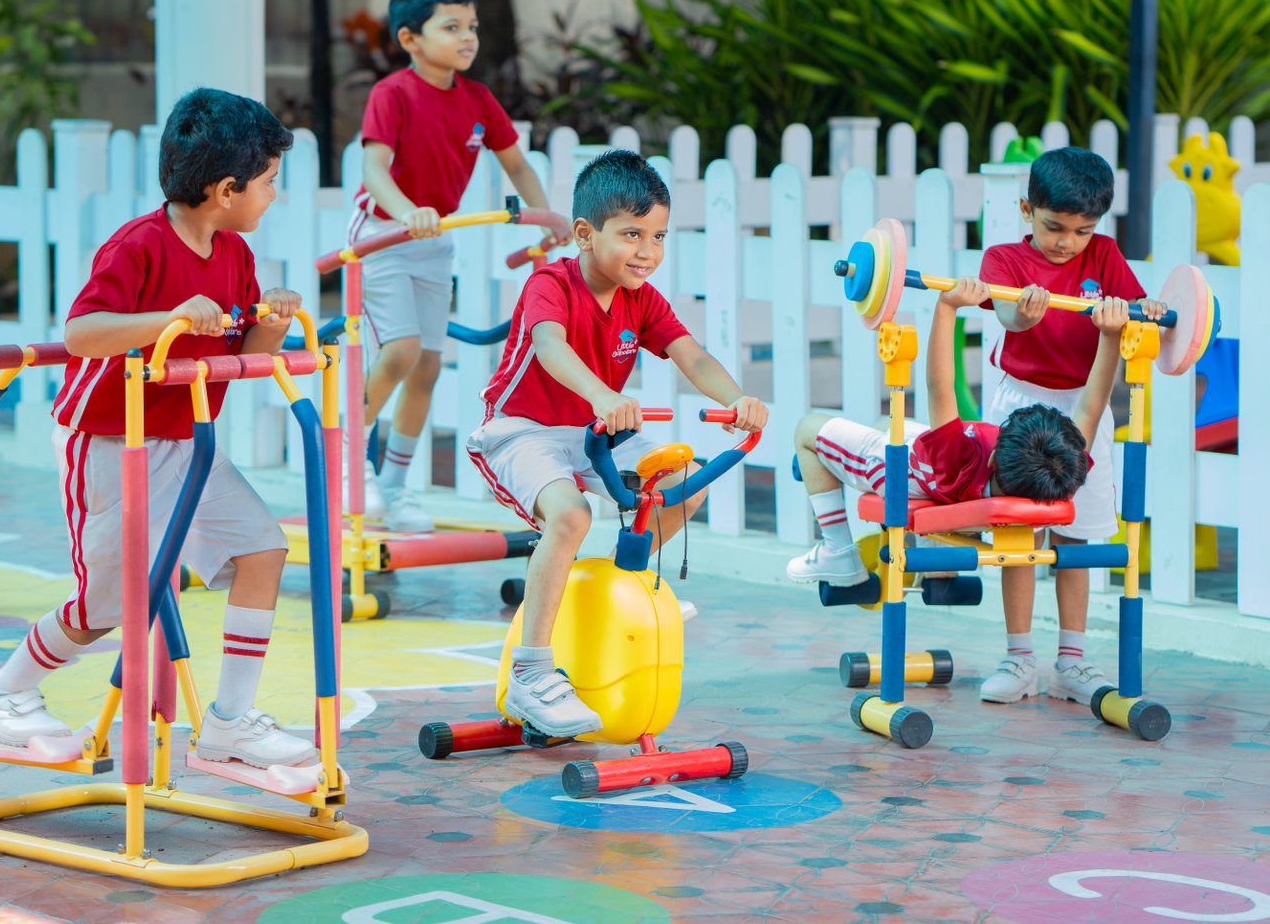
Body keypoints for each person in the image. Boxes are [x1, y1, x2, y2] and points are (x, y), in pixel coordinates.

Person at [0, 88, 318, 769]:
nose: (273, 196)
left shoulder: (233, 255)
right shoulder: (139, 246)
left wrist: (273, 323)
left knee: (262, 551)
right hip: (109, 443)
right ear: (227, 189)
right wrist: (167, 319)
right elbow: (80, 333)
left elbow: (242, 357)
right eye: (269, 183)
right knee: (103, 603)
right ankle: (3, 693)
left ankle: (228, 723)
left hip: (184, 444)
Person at [466, 149, 767, 737]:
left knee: (685, 485)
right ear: (584, 234)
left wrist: (739, 401)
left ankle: (617, 586)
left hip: (596, 430)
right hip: (520, 430)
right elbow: (550, 348)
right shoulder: (549, 283)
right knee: (570, 515)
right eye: (632, 234)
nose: (648, 252)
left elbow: (692, 355)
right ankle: (531, 673)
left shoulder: (642, 298)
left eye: (658, 236)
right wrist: (603, 394)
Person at [787, 276, 1131, 705]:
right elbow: (1093, 403)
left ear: (992, 456)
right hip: (954, 489)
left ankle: (838, 552)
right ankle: (940, 571)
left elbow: (938, 385)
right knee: (879, 426)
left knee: (808, 431)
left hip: (909, 471)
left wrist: (947, 308)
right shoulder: (1063, 475)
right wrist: (1111, 337)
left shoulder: (956, 453)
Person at [347, 0, 553, 532]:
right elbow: (374, 169)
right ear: (410, 38)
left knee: (430, 365)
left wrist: (548, 216)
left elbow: (517, 164)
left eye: (472, 27)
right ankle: (351, 460)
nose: (468, 38)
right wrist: (407, 210)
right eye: (452, 27)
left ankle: (395, 485)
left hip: (434, 242)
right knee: (401, 351)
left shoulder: (479, 100)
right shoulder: (391, 94)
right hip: (384, 236)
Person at [978, 146, 1165, 704]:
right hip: (1021, 404)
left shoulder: (1104, 256)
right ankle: (1018, 658)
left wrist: (1144, 309)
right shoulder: (1004, 259)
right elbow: (1005, 313)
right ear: (1026, 210)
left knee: (1077, 532)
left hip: (1087, 402)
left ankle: (1072, 664)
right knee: (1019, 531)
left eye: (1081, 231)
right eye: (1054, 226)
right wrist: (1024, 313)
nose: (1066, 242)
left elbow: (1136, 307)